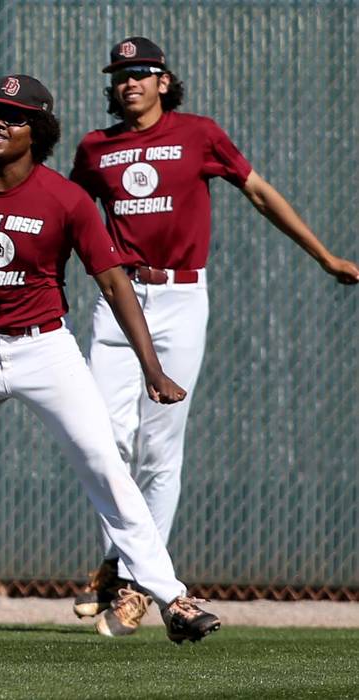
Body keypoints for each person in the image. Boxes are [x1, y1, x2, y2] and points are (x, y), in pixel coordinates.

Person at [0, 74, 219, 644]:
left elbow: (112, 282)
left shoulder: (66, 198)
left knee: (104, 466)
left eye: (13, 116)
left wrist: (151, 366)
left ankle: (172, 598)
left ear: (38, 130)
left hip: (45, 346)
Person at [69, 37, 359, 637]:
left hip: (179, 298)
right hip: (119, 298)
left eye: (142, 73)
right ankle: (129, 566)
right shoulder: (95, 148)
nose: (130, 83)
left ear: (165, 82)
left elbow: (258, 192)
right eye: (120, 74)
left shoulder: (199, 134)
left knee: (160, 449)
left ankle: (131, 580)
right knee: (103, 441)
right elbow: (70, 216)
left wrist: (325, 255)